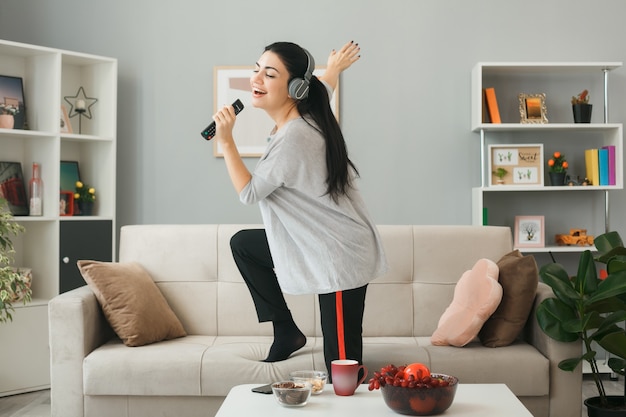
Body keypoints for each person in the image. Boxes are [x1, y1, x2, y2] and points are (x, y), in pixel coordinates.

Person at [212, 40, 388, 374]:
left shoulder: (294, 137)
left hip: (338, 258)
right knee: (245, 246)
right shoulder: (309, 115)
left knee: (342, 371)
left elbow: (250, 193)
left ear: (294, 88)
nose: (256, 80)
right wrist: (332, 70)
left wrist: (227, 141)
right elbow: (325, 91)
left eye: (269, 74)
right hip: (318, 244)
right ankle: (286, 330)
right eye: (256, 71)